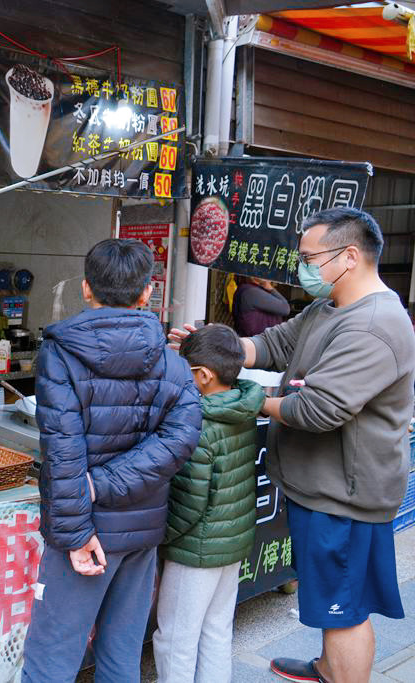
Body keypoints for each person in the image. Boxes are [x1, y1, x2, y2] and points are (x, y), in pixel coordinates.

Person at [170, 208, 415, 683]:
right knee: (331, 597)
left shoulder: (374, 325)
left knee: (342, 607)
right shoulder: (330, 307)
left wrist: (248, 397)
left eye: (309, 257)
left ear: (348, 257)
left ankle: (338, 674)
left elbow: (317, 410)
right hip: (321, 487)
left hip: (345, 495)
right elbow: (274, 344)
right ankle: (327, 666)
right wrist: (214, 347)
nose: (301, 266)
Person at [22, 238, 202, 682]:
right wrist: (104, 484)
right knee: (121, 658)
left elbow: (62, 453)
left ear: (86, 289)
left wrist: (83, 519)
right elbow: (181, 439)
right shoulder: (171, 360)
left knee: (51, 659)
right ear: (146, 293)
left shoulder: (60, 352)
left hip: (83, 532)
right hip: (140, 533)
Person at [152, 323, 265, 683]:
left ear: (202, 375)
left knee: (174, 639)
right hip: (231, 542)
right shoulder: (241, 406)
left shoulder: (200, 423)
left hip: (196, 548)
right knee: (216, 630)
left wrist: (163, 538)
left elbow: (188, 501)